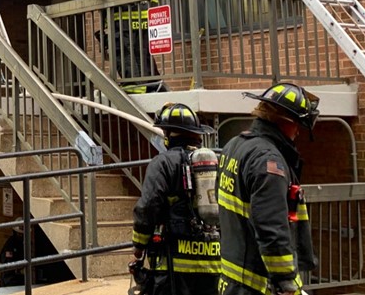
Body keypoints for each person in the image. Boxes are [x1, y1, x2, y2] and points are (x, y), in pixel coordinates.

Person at [217, 84, 319, 295]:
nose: (298, 131)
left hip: (232, 280)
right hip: (259, 284)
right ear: (285, 121)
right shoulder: (269, 162)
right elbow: (271, 228)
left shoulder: (234, 146)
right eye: (298, 124)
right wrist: (285, 282)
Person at [131, 103, 220, 295]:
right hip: (213, 261)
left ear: (168, 134)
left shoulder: (162, 163)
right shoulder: (215, 162)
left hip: (173, 264)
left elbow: (147, 207)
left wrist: (139, 246)